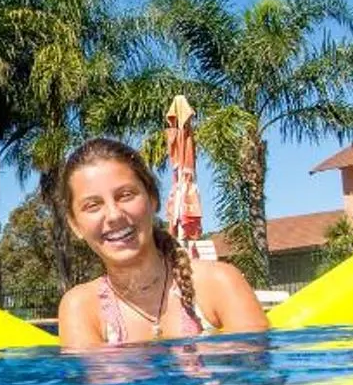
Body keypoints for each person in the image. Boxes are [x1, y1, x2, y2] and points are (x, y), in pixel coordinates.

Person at [54, 138, 270, 351]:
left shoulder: (219, 283)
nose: (114, 215)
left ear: (153, 199)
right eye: (92, 205)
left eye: (125, 195)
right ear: (75, 225)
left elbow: (257, 368)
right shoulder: (81, 307)